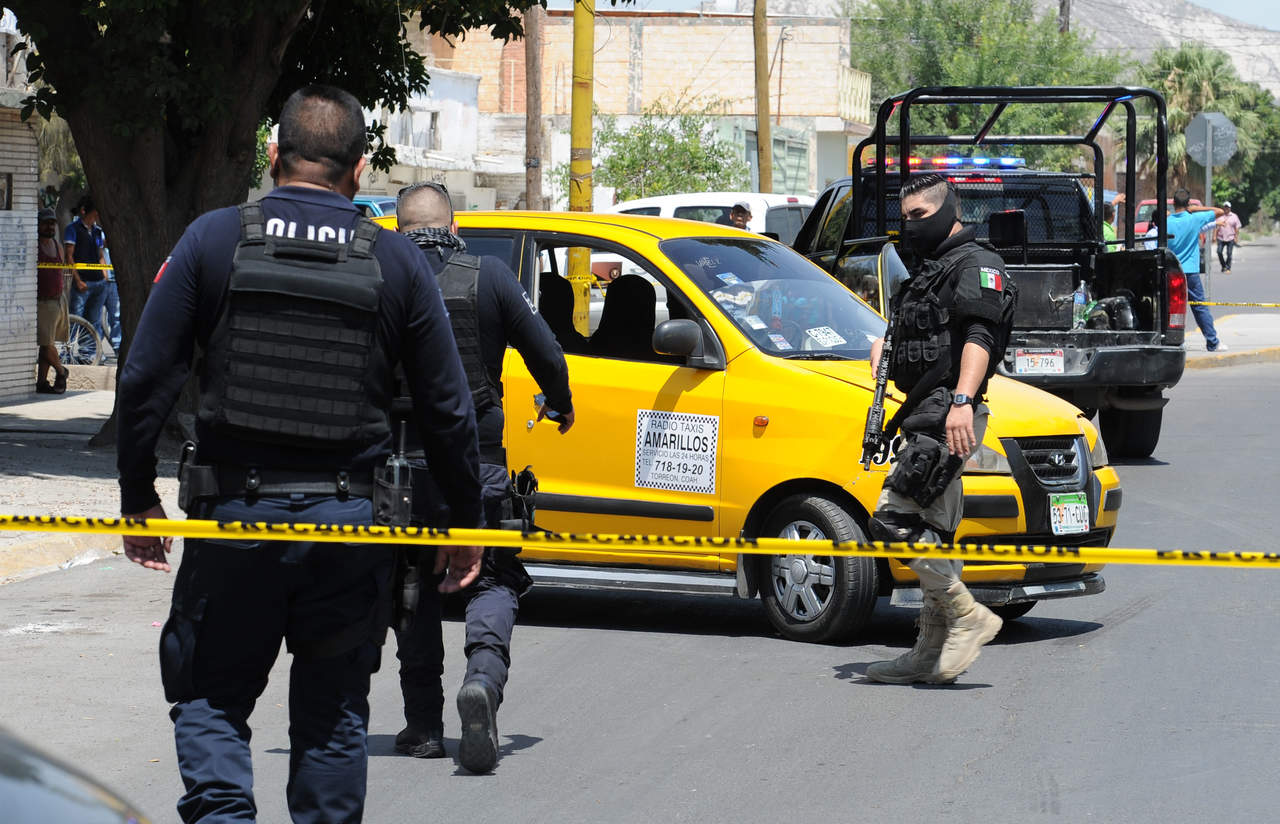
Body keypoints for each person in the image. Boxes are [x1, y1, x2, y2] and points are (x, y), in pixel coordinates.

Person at [115, 85, 485, 823]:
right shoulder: (398, 264)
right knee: (332, 718)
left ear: (274, 153)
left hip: (235, 523)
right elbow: (449, 409)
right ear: (359, 170)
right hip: (348, 530)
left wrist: (136, 496)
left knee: (212, 698)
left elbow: (146, 378)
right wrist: (462, 519)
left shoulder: (214, 241)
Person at [393, 180, 574, 773]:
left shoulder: (380, 276)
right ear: (455, 228)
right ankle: (482, 684)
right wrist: (561, 402)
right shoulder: (489, 276)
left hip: (401, 470)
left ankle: (422, 727)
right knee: (493, 579)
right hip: (479, 463)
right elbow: (546, 350)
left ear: (400, 230)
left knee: (411, 589)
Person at [863, 173, 1014, 686]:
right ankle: (928, 651)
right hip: (924, 411)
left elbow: (981, 335)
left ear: (950, 211)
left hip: (947, 415)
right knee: (937, 536)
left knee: (893, 518)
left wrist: (963, 402)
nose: (909, 226)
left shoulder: (977, 264)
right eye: (904, 217)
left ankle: (967, 615)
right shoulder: (932, 270)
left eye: (920, 216)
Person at [1166, 188, 1227, 352]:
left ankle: (1172, 341)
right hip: (1190, 271)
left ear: (1173, 203)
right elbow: (1220, 211)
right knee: (1199, 306)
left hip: (1172, 270)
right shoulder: (1195, 219)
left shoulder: (1167, 221)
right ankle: (1212, 342)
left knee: (1171, 307)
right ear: (1187, 203)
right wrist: (1194, 209)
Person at [63, 196, 109, 335]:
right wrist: (78, 280)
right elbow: (69, 256)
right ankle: (67, 352)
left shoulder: (97, 231)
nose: (97, 215)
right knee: (75, 318)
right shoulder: (73, 229)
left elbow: (100, 255)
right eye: (95, 211)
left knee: (93, 321)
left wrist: (105, 275)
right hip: (83, 282)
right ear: (84, 211)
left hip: (99, 282)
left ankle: (87, 354)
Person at [35, 207, 70, 394]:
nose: (50, 227)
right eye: (46, 223)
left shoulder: (57, 246)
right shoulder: (35, 245)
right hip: (42, 302)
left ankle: (41, 382)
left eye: (52, 223)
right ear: (38, 225)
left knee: (46, 343)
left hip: (57, 300)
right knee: (46, 343)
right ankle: (61, 370)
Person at [1216, 200, 1242, 274]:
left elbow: (1237, 227)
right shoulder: (1220, 216)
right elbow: (1216, 226)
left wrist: (1236, 237)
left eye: (1228, 207)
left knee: (1229, 253)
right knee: (1219, 252)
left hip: (1230, 237)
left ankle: (1228, 267)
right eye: (1225, 207)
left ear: (1230, 208)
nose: (1226, 209)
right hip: (1221, 237)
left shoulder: (1234, 216)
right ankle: (1223, 265)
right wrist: (1214, 236)